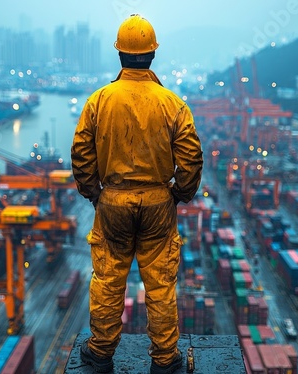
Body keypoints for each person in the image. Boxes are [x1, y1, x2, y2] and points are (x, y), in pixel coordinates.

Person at [71, 14, 203, 374]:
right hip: (159, 203)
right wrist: (179, 194)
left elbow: (81, 154)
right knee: (160, 285)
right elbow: (191, 158)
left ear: (120, 55)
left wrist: (94, 193)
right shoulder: (172, 103)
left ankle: (99, 353)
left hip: (112, 202)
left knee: (109, 279)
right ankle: (164, 359)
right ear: (152, 55)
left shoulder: (99, 100)